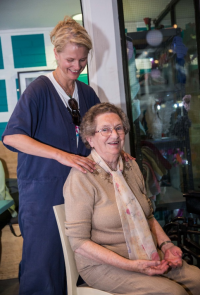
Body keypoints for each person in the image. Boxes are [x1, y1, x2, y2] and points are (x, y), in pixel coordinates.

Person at [2, 16, 101, 295]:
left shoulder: (87, 93)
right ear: (56, 53)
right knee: (43, 265)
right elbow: (12, 137)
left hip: (80, 191)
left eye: (82, 60)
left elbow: (96, 136)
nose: (77, 66)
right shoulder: (39, 89)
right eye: (70, 59)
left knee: (79, 261)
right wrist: (62, 156)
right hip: (43, 192)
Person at [64, 102, 200, 295]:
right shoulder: (81, 177)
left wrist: (166, 245)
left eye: (118, 128)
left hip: (144, 253)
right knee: (172, 293)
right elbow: (78, 243)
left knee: (197, 280)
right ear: (90, 139)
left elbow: (148, 217)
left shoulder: (131, 167)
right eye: (105, 130)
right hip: (102, 265)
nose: (114, 135)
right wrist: (133, 266)